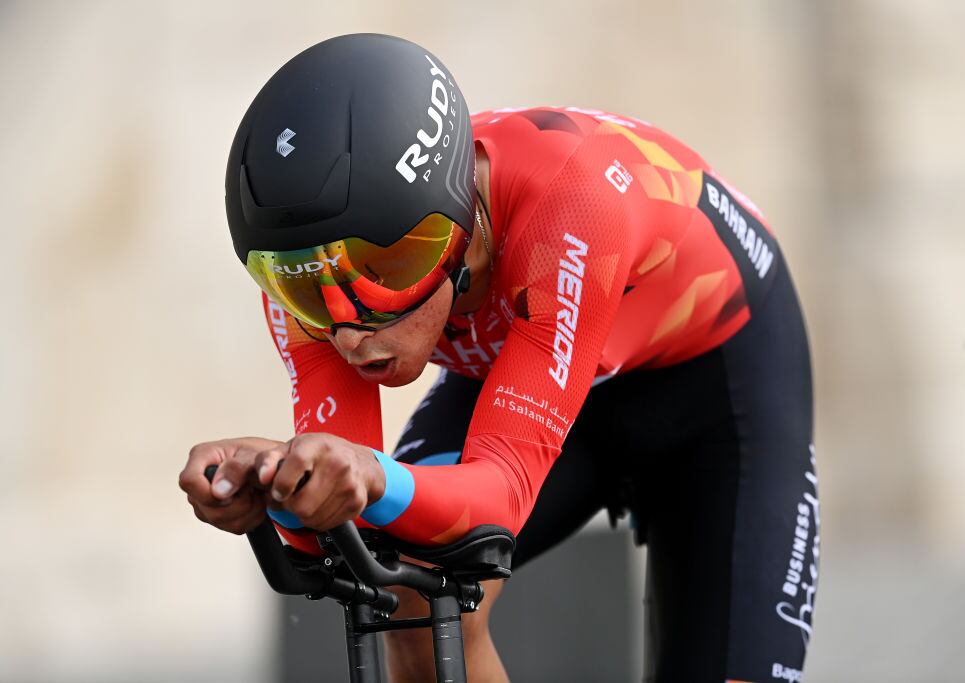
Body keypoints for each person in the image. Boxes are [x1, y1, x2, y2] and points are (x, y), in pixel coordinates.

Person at [178, 33, 819, 683]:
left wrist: (369, 477)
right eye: (299, 287)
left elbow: (496, 495)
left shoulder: (572, 202)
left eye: (384, 270)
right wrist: (274, 483)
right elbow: (351, 532)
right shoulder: (318, 267)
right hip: (535, 360)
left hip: (717, 384)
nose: (347, 332)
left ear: (457, 230)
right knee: (416, 591)